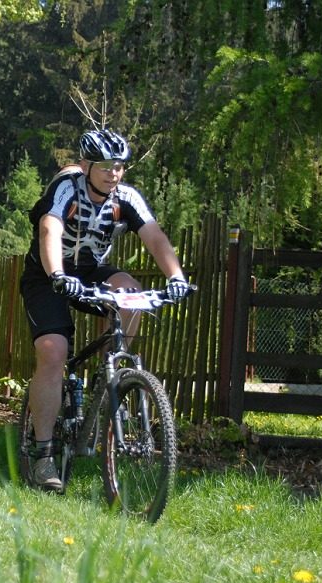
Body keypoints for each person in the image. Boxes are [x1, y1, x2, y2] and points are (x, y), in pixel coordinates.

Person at [20, 129, 192, 491]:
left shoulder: (126, 197)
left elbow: (154, 236)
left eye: (119, 166)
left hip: (90, 271)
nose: (113, 173)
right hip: (47, 274)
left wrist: (176, 277)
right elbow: (49, 229)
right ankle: (43, 455)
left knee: (130, 289)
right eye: (105, 167)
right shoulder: (67, 188)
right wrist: (57, 275)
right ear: (86, 166)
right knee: (53, 351)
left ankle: (111, 378)